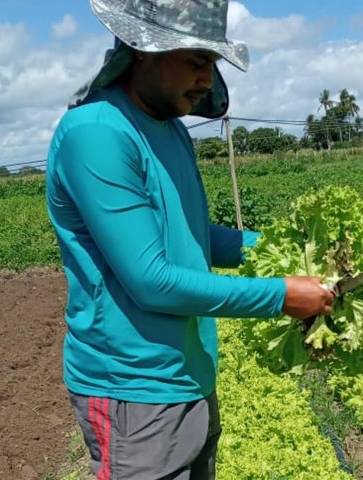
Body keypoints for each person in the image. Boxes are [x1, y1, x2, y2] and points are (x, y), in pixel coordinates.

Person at [45, 1, 333, 478]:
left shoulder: (169, 128)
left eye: (212, 65)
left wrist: (280, 243)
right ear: (142, 50)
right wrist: (281, 295)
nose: (206, 79)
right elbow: (152, 280)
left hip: (188, 373)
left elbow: (192, 235)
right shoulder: (97, 133)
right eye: (197, 62)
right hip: (132, 390)